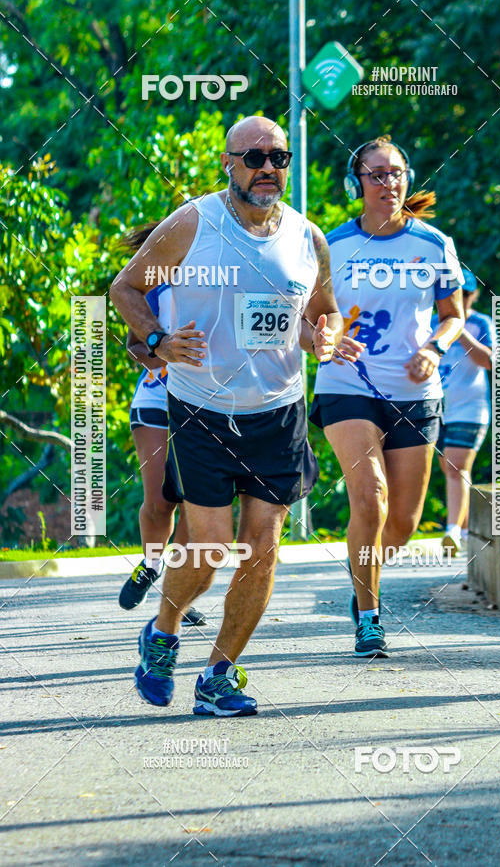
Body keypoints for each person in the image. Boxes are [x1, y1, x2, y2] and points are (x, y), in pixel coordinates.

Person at [110, 115, 343, 716]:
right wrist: (158, 341)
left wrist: (325, 336)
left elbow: (325, 309)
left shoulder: (307, 237)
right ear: (228, 163)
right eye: (255, 156)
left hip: (278, 410)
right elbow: (126, 289)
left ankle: (219, 673)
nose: (269, 167)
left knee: (263, 547)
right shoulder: (194, 223)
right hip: (202, 408)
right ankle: (162, 633)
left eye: (280, 157)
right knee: (210, 549)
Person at [310, 135, 464, 658]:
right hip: (346, 382)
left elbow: (454, 315)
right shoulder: (332, 246)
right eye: (375, 174)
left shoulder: (434, 245)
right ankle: (370, 616)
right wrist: (325, 339)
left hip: (416, 392)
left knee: (403, 520)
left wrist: (436, 349)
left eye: (395, 173)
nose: (387, 183)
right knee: (369, 497)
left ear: (407, 179)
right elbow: (307, 319)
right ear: (357, 184)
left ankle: (364, 581)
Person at [118, 277, 205, 626]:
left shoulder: (229, 282)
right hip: (156, 400)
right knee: (159, 502)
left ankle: (175, 597)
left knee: (195, 506)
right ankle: (152, 565)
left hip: (205, 406)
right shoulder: (158, 289)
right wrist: (164, 353)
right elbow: (134, 347)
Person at [435, 269, 496, 556]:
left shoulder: (482, 322)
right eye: (457, 293)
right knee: (449, 468)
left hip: (470, 408)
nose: (462, 299)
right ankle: (468, 527)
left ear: (474, 295)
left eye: (468, 294)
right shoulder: (432, 321)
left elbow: (491, 362)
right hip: (436, 406)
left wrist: (460, 333)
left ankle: (452, 532)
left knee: (456, 466)